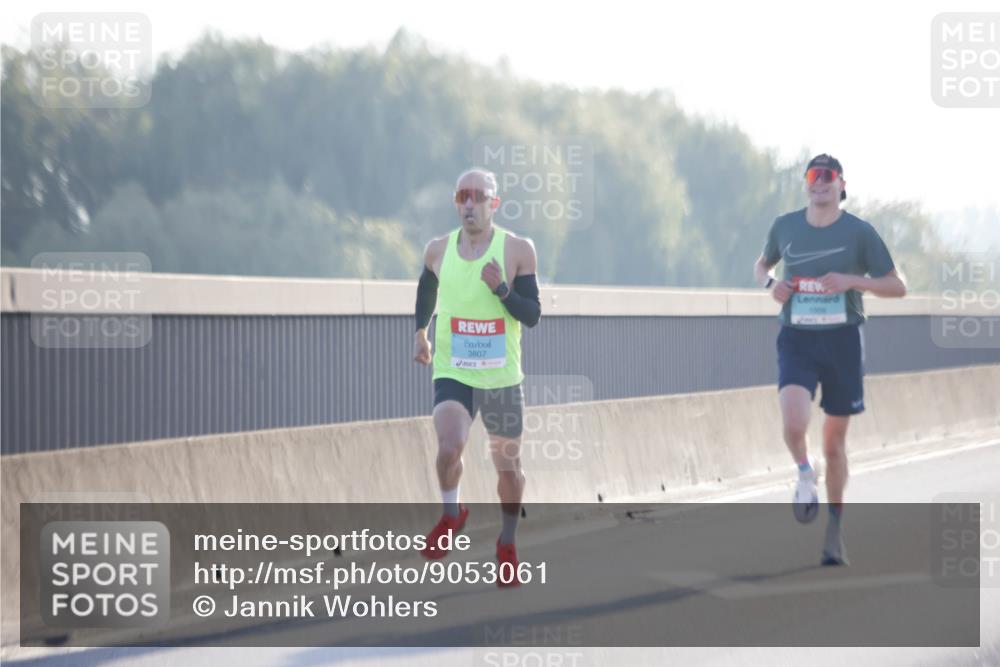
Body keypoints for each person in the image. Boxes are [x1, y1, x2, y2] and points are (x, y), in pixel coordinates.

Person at [752, 154, 906, 565]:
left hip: (842, 341)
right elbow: (762, 265)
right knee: (793, 423)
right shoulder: (785, 226)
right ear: (806, 184)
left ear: (841, 184)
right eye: (812, 176)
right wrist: (772, 285)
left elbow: (898, 286)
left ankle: (835, 531)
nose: (819, 183)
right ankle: (805, 472)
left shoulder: (859, 232)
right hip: (797, 338)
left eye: (827, 176)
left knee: (834, 445)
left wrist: (851, 281)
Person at [413, 167, 541, 586]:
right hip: (455, 370)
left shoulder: (517, 249)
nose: (469, 204)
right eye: (461, 196)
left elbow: (532, 315)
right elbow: (427, 288)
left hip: (502, 375)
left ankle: (507, 543)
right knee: (449, 446)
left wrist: (503, 289)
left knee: (508, 469)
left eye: (477, 196)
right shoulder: (438, 249)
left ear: (494, 203)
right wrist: (421, 332)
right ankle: (452, 515)